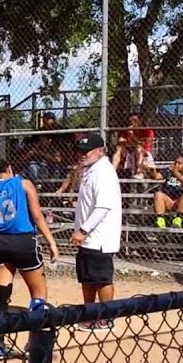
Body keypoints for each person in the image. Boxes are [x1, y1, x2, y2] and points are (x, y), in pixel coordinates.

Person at [0, 159, 61, 359]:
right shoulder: (23, 184)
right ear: (10, 169)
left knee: (0, 296)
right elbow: (38, 216)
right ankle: (33, 342)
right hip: (22, 241)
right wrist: (51, 242)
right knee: (39, 292)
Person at [70, 132, 123, 331]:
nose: (83, 154)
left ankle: (106, 318)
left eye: (87, 151)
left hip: (99, 236)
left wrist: (83, 230)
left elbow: (103, 206)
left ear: (100, 151)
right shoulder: (90, 169)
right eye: (81, 151)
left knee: (101, 279)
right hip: (89, 238)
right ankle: (90, 314)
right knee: (87, 277)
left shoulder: (104, 172)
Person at [152, 154, 183, 229]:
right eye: (175, 162)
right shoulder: (169, 171)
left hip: (182, 203)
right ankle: (160, 220)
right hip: (169, 201)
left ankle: (178, 220)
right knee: (158, 194)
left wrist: (175, 173)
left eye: (179, 163)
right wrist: (152, 168)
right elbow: (156, 176)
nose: (176, 164)